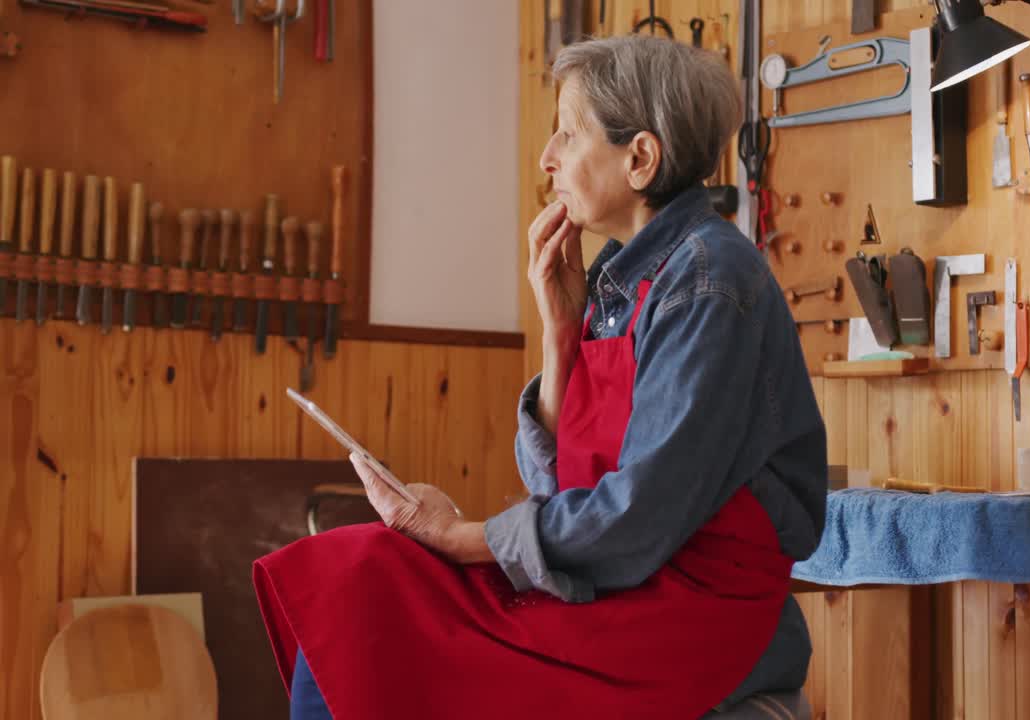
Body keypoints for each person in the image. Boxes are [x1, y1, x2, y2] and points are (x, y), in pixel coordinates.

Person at [253, 34, 827, 719]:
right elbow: (561, 487)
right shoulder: (625, 278)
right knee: (354, 579)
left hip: (694, 612)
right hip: (627, 584)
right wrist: (561, 337)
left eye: (567, 134)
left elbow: (639, 516)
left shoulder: (706, 281)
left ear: (640, 158)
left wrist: (464, 538)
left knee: (375, 607)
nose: (546, 159)